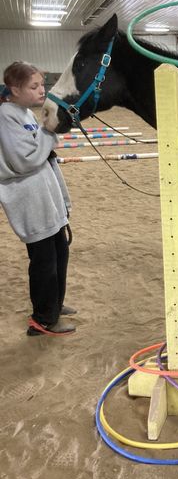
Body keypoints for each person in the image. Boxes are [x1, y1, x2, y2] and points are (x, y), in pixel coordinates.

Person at [0, 61, 77, 336]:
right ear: (15, 90)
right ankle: (43, 320)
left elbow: (39, 149)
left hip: (45, 195)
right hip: (30, 198)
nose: (41, 90)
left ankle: (55, 304)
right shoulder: (6, 115)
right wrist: (49, 131)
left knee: (60, 252)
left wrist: (46, 131)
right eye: (34, 86)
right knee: (44, 262)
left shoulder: (25, 113)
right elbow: (25, 159)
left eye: (41, 85)